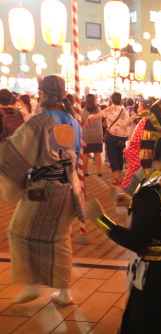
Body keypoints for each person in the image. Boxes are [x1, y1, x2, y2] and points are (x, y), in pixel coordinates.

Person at [86, 96, 161, 334]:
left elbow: (137, 241)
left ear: (156, 150)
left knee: (148, 324)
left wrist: (100, 219)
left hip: (159, 275)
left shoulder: (153, 190)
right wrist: (133, 204)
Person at [0, 75, 84, 306]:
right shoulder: (73, 120)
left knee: (19, 232)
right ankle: (64, 293)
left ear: (43, 94)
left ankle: (32, 284)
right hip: (70, 186)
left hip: (43, 188)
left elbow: (15, 151)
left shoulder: (38, 120)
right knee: (59, 238)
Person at [86, 92, 130, 185]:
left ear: (112, 100)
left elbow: (100, 114)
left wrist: (90, 118)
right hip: (123, 136)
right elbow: (128, 123)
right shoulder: (125, 111)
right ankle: (120, 174)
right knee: (119, 155)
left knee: (112, 155)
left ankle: (117, 178)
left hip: (113, 135)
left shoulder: (110, 109)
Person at [82, 94, 103, 177]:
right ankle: (99, 171)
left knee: (86, 154)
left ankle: (85, 171)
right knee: (97, 153)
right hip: (98, 134)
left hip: (87, 135)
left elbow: (81, 123)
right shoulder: (99, 110)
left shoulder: (83, 111)